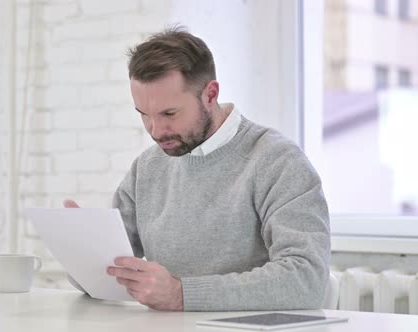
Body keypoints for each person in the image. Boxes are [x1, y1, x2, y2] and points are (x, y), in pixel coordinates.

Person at [64, 26, 330, 312]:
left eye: (169, 113)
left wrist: (182, 295)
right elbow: (105, 275)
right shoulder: (147, 168)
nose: (155, 130)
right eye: (144, 115)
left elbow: (307, 280)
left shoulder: (277, 161)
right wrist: (84, 247)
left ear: (210, 94)